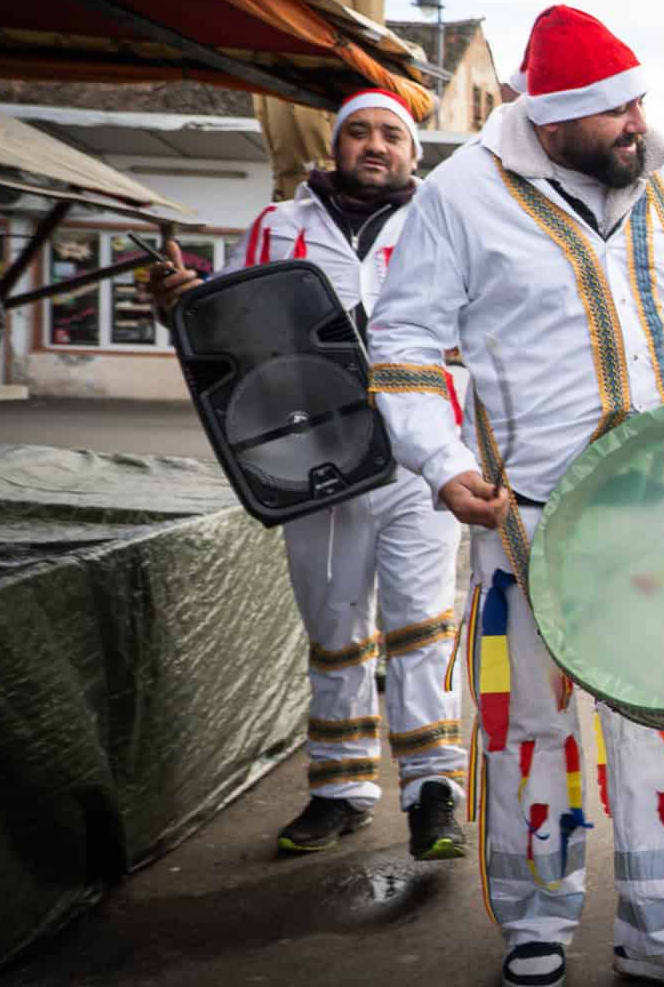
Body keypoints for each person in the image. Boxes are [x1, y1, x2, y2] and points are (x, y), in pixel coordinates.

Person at [368, 6, 664, 987]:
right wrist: (438, 458)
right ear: (551, 124)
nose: (638, 120)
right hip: (526, 524)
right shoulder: (460, 194)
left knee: (659, 726)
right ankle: (537, 927)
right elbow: (404, 343)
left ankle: (660, 930)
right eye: (614, 111)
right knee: (527, 729)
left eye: (637, 99)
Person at [146, 89, 468, 864]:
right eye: (359, 132)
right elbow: (225, 330)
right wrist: (178, 306)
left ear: (413, 153)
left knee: (422, 623)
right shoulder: (279, 226)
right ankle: (340, 788)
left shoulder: (444, 221)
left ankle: (433, 791)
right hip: (308, 452)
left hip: (423, 454)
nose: (375, 145)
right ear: (336, 146)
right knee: (334, 623)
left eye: (392, 134)